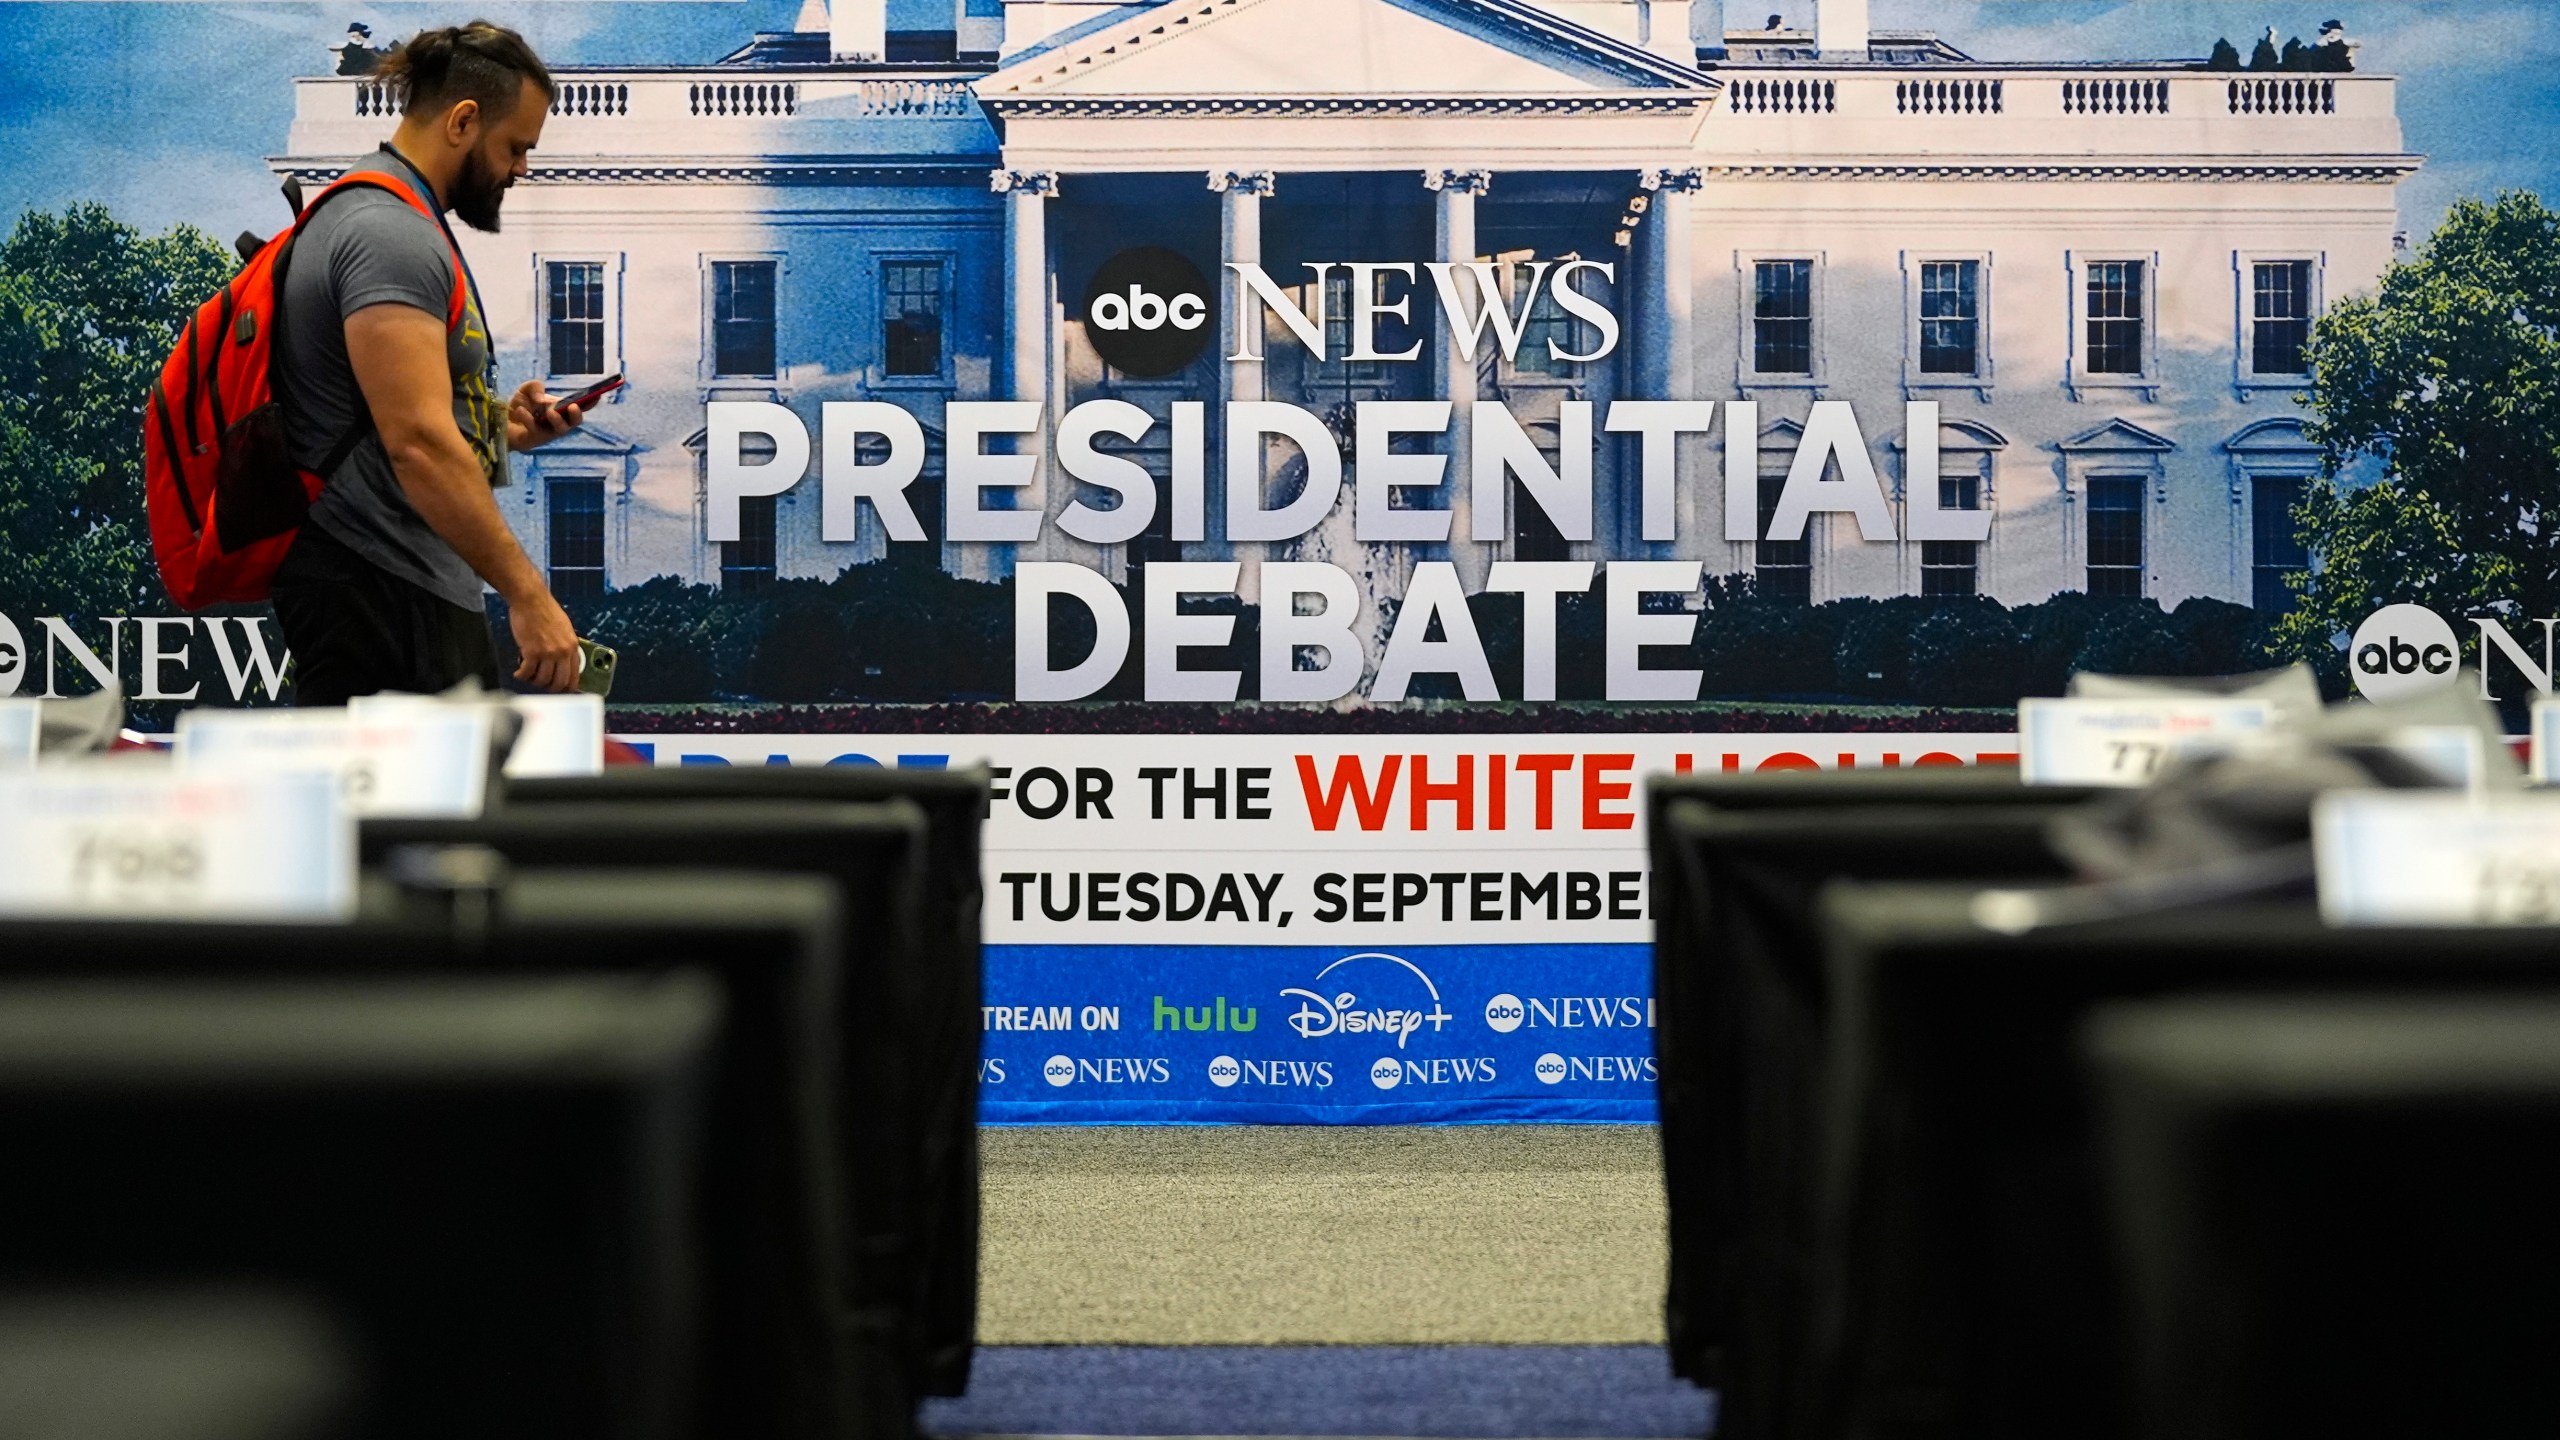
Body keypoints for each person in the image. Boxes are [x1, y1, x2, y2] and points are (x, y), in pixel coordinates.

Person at [270, 20, 586, 704]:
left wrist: (503, 428)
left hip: (391, 592)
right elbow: (415, 442)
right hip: (386, 599)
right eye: (515, 147)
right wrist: (529, 595)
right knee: (411, 810)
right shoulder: (390, 236)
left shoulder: (388, 219)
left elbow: (385, 419)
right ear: (464, 121)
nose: (521, 170)